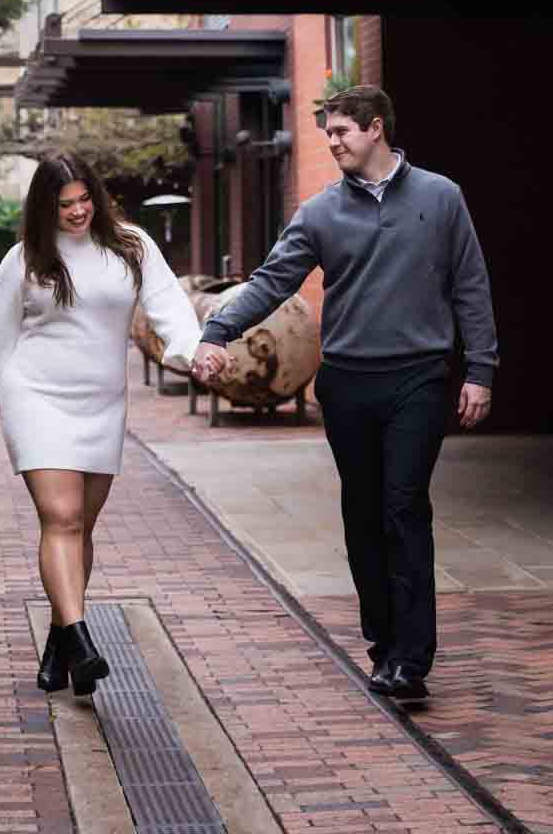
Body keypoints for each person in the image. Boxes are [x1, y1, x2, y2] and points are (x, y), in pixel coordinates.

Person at [190, 86, 497, 708]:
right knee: (363, 513)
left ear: (375, 128)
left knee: (403, 506)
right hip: (348, 382)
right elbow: (273, 282)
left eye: (340, 133)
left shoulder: (441, 199)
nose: (331, 144)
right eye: (327, 134)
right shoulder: (320, 213)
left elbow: (470, 284)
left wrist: (481, 368)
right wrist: (217, 329)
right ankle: (383, 647)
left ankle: (413, 660)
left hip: (420, 376)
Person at [0, 154, 202, 695]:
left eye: (85, 199)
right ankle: (84, 644)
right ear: (45, 206)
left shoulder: (130, 247)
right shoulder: (24, 260)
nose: (78, 211)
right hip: (36, 395)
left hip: (101, 403)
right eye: (65, 204)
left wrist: (194, 351)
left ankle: (60, 637)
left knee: (79, 528)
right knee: (61, 517)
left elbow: (168, 308)